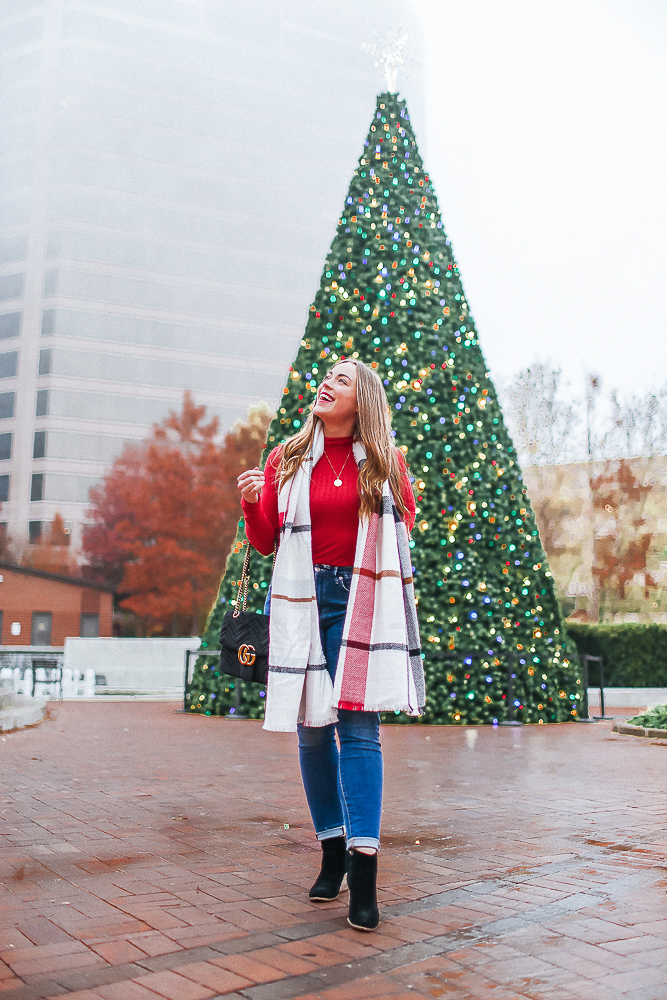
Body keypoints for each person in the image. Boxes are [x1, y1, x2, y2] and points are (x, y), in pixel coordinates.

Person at [237, 358, 424, 931]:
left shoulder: (386, 463)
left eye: (342, 379)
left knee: (357, 730)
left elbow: (403, 528)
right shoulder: (285, 458)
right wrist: (252, 500)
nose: (327, 382)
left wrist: (390, 488)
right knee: (312, 731)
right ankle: (332, 849)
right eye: (328, 376)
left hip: (358, 599)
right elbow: (267, 540)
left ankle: (364, 870)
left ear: (361, 398)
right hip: (299, 598)